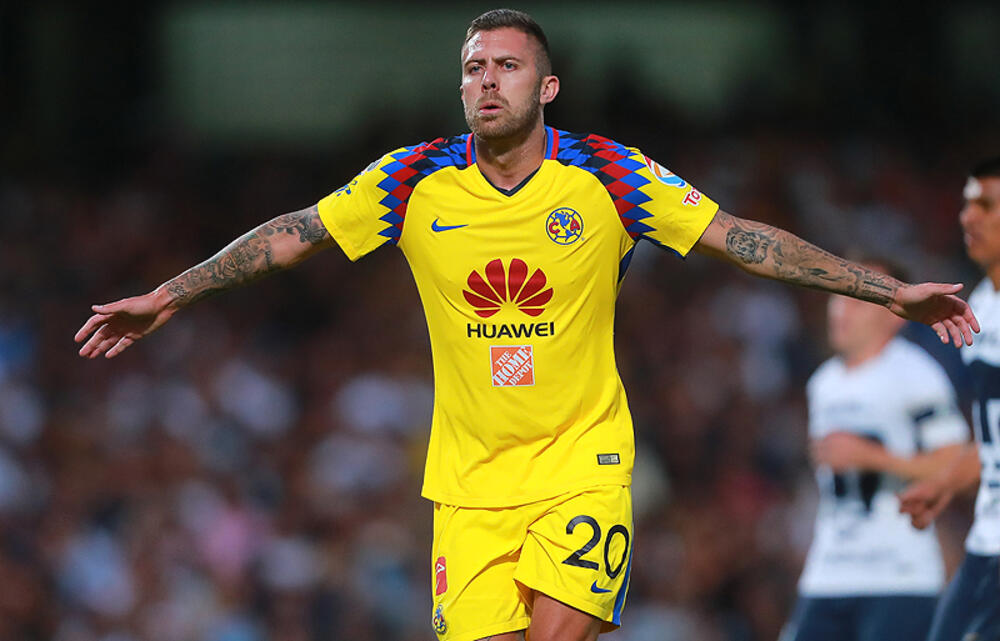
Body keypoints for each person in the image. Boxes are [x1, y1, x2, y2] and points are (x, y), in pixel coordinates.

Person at [75, 9, 979, 641]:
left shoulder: (610, 175)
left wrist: (884, 291)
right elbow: (294, 235)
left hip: (581, 468)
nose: (486, 80)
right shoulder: (412, 179)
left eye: (505, 66)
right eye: (473, 67)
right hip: (467, 486)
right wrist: (169, 295)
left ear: (547, 86)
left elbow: (741, 239)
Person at [781, 258, 968, 641]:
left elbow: (956, 462)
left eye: (856, 300)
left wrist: (871, 457)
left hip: (898, 575)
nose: (840, 310)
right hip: (829, 571)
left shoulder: (916, 373)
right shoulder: (823, 383)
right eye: (838, 296)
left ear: (894, 315)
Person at [899, 157, 1000, 641]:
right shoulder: (979, 307)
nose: (968, 217)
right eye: (966, 204)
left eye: (987, 205)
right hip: (988, 538)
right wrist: (946, 482)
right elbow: (992, 439)